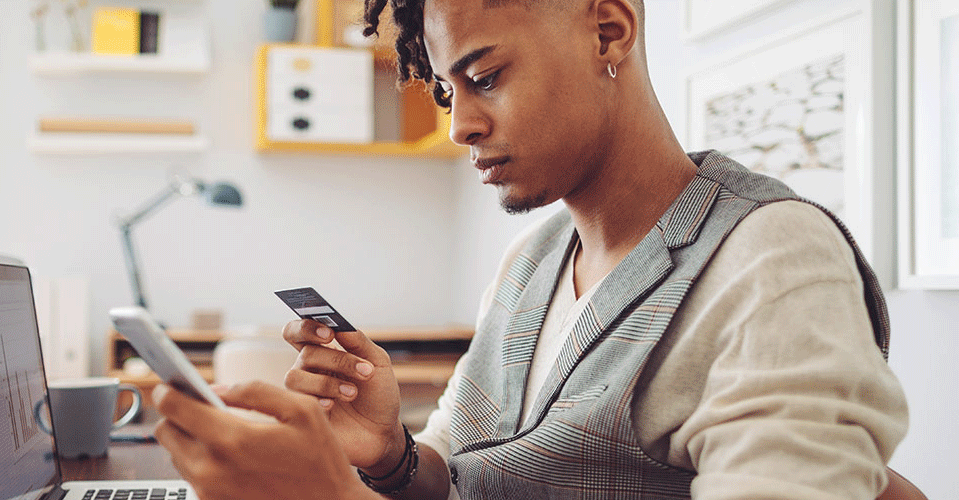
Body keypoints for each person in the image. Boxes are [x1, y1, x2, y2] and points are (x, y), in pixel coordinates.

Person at [149, 0, 908, 498]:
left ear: (607, 32)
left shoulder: (772, 259)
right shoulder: (531, 263)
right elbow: (460, 477)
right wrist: (389, 457)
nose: (459, 127)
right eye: (449, 92)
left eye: (484, 77)